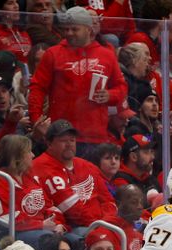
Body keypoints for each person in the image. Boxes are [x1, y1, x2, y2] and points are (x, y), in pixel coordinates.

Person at [28, 6, 128, 156]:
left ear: (88, 29)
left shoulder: (107, 55)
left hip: (94, 135)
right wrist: (37, 120)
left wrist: (110, 95)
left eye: (74, 29)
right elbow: (37, 88)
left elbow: (121, 87)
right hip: (61, 134)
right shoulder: (53, 54)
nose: (69, 33)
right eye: (66, 29)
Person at [30, 119, 120, 233]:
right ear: (49, 143)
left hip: (101, 224)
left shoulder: (88, 166)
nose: (69, 145)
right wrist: (98, 226)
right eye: (63, 141)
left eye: (72, 140)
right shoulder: (40, 167)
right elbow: (73, 212)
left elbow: (108, 200)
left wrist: (107, 221)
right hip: (76, 227)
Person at [0, 134, 66, 249]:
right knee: (49, 241)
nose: (33, 155)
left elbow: (49, 206)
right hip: (6, 235)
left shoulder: (29, 175)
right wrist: (40, 225)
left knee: (73, 240)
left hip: (38, 229)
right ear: (17, 156)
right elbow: (6, 219)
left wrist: (58, 224)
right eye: (29, 151)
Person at [112, 134, 158, 200]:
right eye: (146, 152)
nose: (152, 157)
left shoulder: (150, 179)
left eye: (151, 152)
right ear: (133, 157)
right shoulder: (120, 181)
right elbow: (134, 207)